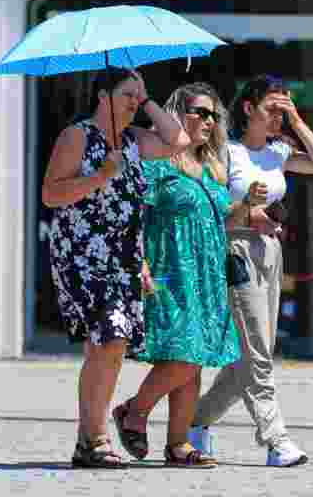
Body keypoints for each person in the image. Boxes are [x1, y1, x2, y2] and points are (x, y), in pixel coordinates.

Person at [42, 67, 190, 468]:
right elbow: (52, 194)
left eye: (138, 97)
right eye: (127, 94)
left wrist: (146, 102)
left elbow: (179, 140)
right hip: (83, 254)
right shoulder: (77, 136)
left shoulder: (134, 140)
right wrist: (101, 174)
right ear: (102, 96)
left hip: (124, 256)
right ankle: (94, 439)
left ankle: (88, 440)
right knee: (108, 340)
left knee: (113, 345)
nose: (135, 103)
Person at [187, 75, 313, 467]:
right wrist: (249, 211)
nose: (278, 118)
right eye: (273, 108)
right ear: (249, 109)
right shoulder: (226, 152)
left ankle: (194, 422)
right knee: (258, 354)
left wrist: (297, 120)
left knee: (252, 355)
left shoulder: (279, 152)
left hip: (269, 251)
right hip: (234, 249)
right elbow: (210, 211)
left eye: (284, 110)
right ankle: (275, 440)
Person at [111, 82, 252, 468]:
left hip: (206, 273)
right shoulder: (159, 162)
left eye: (213, 114)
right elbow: (134, 213)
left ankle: (178, 445)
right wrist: (137, 261)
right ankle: (133, 411)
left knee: (195, 357)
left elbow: (222, 219)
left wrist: (247, 208)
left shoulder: (212, 167)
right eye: (199, 112)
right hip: (170, 269)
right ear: (178, 115)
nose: (208, 120)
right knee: (185, 354)